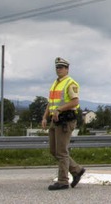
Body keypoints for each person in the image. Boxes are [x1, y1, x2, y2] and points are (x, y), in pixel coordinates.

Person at [41, 57, 85, 190]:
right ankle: (76, 170)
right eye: (57, 67)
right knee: (54, 151)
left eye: (61, 67)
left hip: (65, 120)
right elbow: (51, 103)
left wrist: (59, 110)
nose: (59, 69)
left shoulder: (70, 83)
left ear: (67, 69)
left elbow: (75, 102)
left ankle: (63, 181)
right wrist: (44, 117)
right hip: (55, 120)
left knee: (61, 151)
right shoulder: (56, 84)